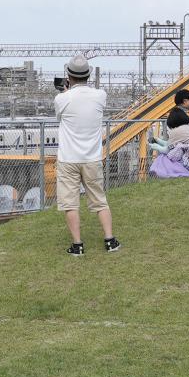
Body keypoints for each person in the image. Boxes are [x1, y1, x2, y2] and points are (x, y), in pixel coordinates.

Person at [54, 55, 119, 255]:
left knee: (70, 203)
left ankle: (77, 245)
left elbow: (61, 116)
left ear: (68, 76)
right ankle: (110, 241)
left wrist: (66, 92)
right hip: (92, 157)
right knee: (100, 200)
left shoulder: (61, 99)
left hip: (68, 158)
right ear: (88, 75)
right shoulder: (100, 95)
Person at [150, 104, 189, 178]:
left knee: (163, 158)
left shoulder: (177, 131)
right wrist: (159, 141)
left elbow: (167, 150)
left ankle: (168, 175)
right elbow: (171, 144)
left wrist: (156, 147)